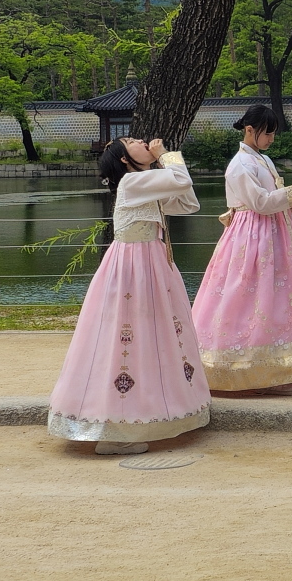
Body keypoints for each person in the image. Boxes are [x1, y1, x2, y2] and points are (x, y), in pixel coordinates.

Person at [48, 138, 209, 455]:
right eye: (132, 141)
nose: (140, 140)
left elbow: (188, 202)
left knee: (144, 340)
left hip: (148, 265)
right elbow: (182, 179)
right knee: (129, 341)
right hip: (135, 268)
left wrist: (165, 165)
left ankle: (134, 420)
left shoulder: (144, 183)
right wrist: (165, 156)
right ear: (124, 159)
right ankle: (117, 429)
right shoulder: (133, 182)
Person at [192, 105, 292, 395]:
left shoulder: (260, 160)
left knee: (274, 298)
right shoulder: (240, 165)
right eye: (268, 133)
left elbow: (269, 196)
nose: (272, 139)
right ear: (250, 130)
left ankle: (274, 370)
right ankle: (249, 370)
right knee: (251, 298)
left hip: (268, 233)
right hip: (252, 236)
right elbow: (260, 203)